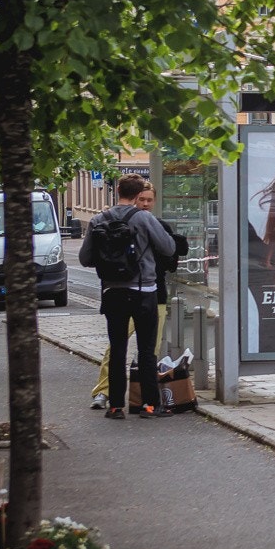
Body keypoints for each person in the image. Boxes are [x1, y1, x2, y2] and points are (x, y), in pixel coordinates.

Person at [79, 174, 176, 420]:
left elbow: (85, 259)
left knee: (118, 348)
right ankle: (150, 406)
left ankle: (115, 407)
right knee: (146, 350)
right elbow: (169, 248)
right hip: (144, 291)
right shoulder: (144, 218)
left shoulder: (99, 219)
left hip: (112, 293)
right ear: (137, 195)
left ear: (117, 190)